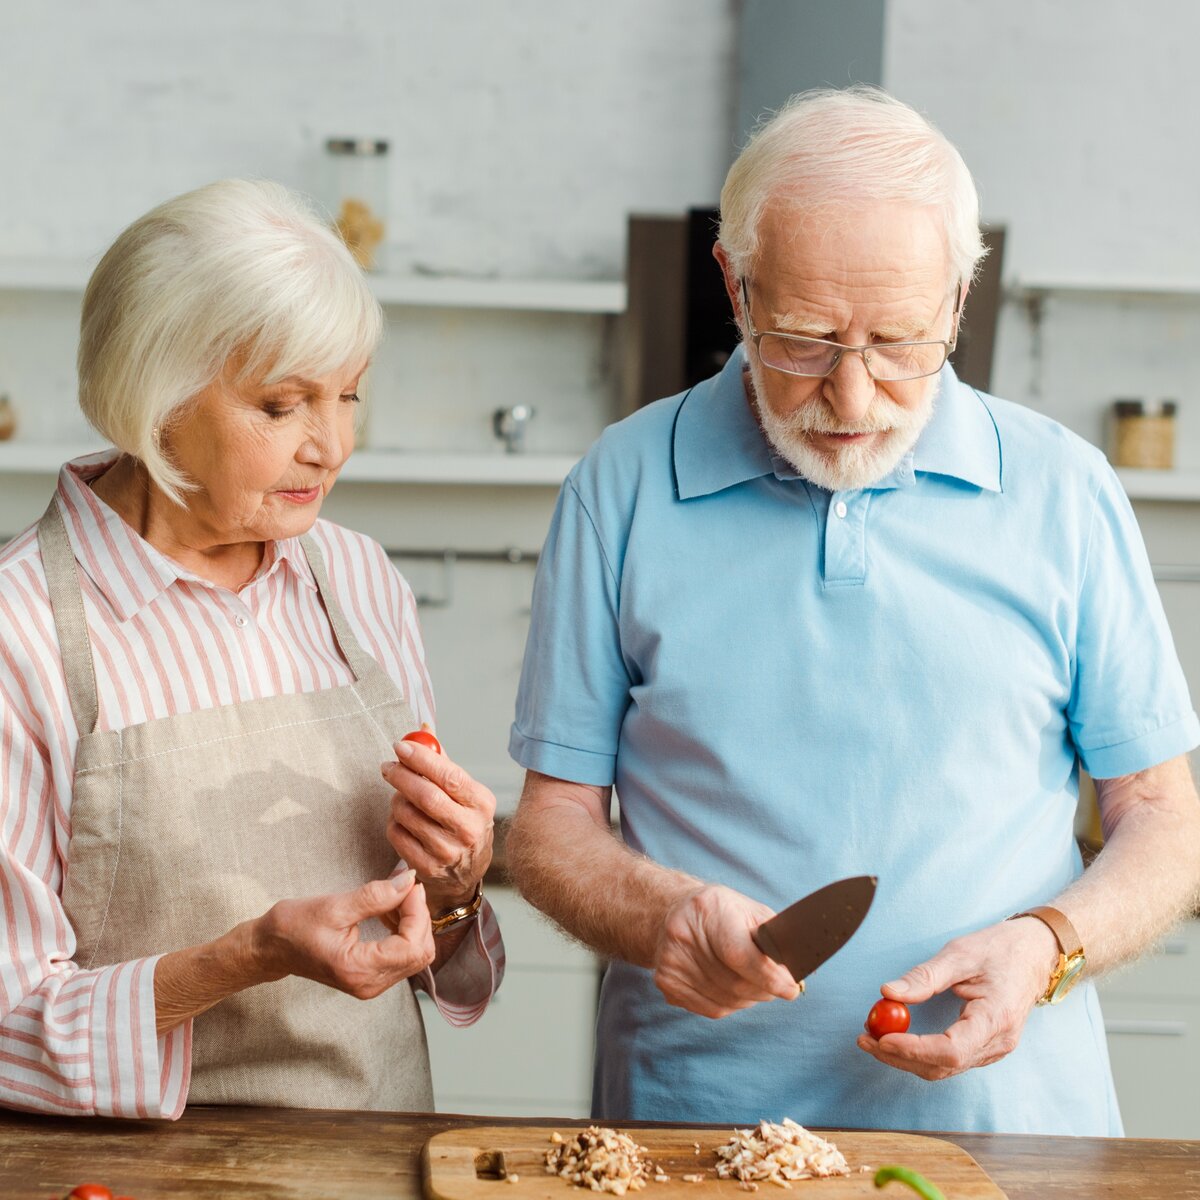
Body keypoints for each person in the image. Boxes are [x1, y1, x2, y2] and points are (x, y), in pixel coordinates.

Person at [505, 87, 1200, 1135]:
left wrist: (1048, 943)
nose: (855, 397)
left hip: (1012, 1132)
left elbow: (1165, 820)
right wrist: (662, 918)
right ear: (733, 285)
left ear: (960, 304)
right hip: (694, 1128)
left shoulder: (1066, 490)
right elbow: (552, 828)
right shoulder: (622, 487)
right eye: (805, 340)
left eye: (901, 342)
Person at [0, 179, 504, 1118]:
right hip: (133, 1177)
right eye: (281, 406)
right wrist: (246, 959)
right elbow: (5, 1027)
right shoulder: (19, 636)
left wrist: (458, 886)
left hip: (376, 1152)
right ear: (155, 399)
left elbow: (433, 943)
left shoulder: (357, 579)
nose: (332, 446)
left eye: (348, 395)